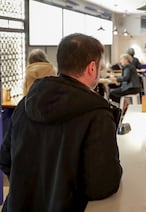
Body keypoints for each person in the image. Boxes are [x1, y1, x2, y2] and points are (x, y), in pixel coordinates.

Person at [0, 33, 123, 211]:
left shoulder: (25, 104)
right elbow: (101, 185)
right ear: (91, 68)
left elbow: (5, 159)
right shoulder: (97, 115)